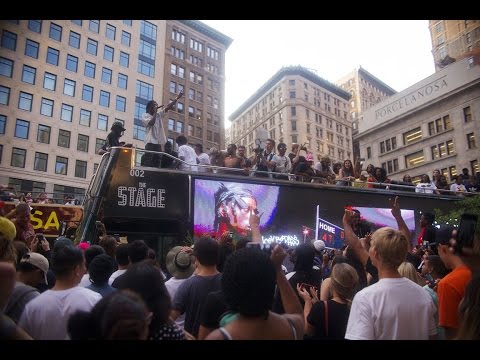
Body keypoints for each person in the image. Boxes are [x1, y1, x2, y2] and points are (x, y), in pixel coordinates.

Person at [141, 91, 183, 167]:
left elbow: (168, 107)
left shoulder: (158, 115)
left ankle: (157, 174)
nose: (156, 106)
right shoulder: (145, 115)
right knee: (148, 159)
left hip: (157, 142)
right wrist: (155, 113)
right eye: (154, 105)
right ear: (150, 107)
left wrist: (177, 98)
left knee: (158, 159)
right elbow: (151, 123)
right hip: (150, 142)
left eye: (156, 105)